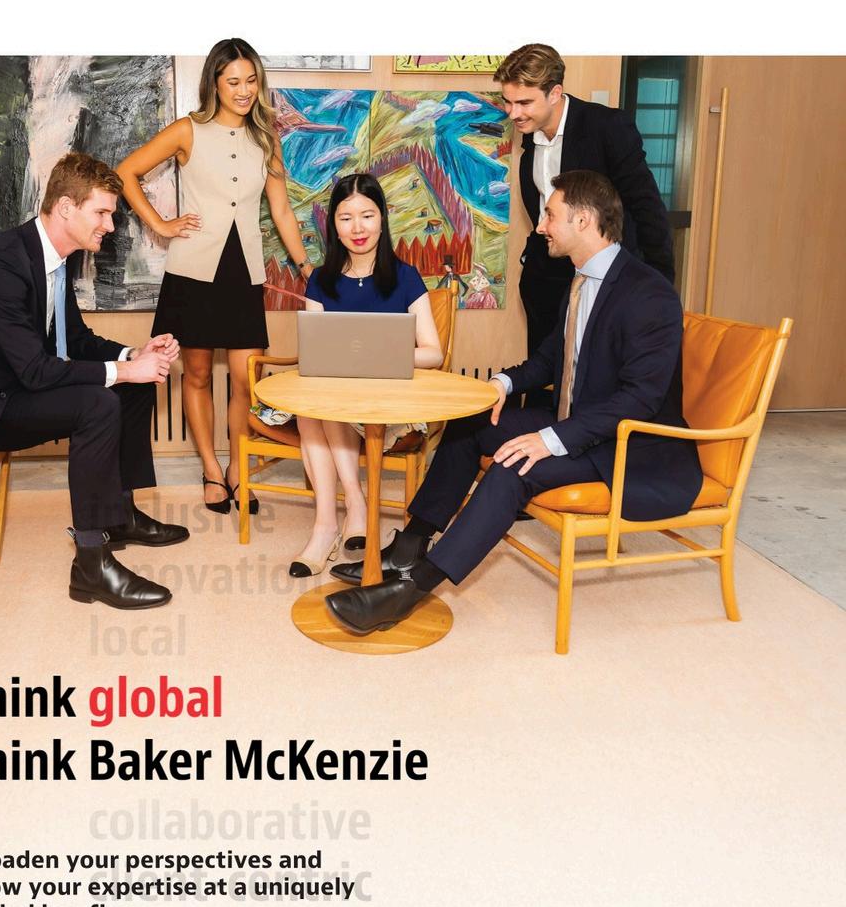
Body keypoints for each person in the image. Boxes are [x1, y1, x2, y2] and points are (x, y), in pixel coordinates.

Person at [326, 170, 702, 633]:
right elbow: (550, 359)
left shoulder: (649, 293)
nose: (541, 226)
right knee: (470, 424)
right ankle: (409, 547)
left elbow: (640, 399)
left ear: (583, 221)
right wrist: (500, 385)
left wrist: (549, 439)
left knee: (513, 464)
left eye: (550, 215)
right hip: (581, 421)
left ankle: (410, 591)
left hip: (627, 445)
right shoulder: (581, 280)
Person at [0, 153, 188, 609]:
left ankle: (119, 516)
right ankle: (91, 565)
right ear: (66, 207)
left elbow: (76, 341)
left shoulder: (53, 259)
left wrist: (133, 356)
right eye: (102, 212)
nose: (110, 225)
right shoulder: (0, 265)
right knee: (98, 403)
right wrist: (126, 369)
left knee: (132, 385)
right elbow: (35, 368)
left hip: (8, 392)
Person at [116, 38, 314, 516]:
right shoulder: (188, 130)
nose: (244, 91)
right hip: (192, 271)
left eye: (251, 81)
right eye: (233, 82)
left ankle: (237, 468)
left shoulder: (267, 139)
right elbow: (126, 172)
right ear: (215, 84)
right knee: (199, 375)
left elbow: (282, 211)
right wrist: (161, 224)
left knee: (246, 380)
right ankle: (210, 468)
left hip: (243, 272)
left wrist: (306, 266)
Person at [288, 173, 443, 578]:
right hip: (335, 402)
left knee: (320, 411)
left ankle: (340, 517)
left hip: (390, 407)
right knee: (313, 409)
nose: (357, 228)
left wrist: (379, 355)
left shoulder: (405, 277)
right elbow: (314, 353)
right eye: (346, 218)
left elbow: (433, 352)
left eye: (367, 216)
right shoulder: (320, 281)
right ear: (334, 225)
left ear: (382, 218)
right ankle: (338, 515)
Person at [495, 43, 674, 355]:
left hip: (605, 281)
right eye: (508, 102)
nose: (513, 113)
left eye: (524, 102)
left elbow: (646, 208)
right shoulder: (530, 136)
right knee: (544, 369)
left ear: (555, 93)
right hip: (547, 280)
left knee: (597, 372)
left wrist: (658, 287)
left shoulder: (606, 127)